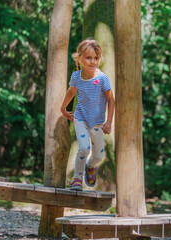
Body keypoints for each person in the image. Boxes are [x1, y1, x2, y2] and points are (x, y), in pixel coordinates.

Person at [61, 39, 115, 191]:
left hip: (98, 122)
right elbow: (71, 91)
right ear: (79, 58)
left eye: (96, 58)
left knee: (98, 156)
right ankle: (77, 180)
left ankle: (90, 167)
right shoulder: (76, 77)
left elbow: (111, 100)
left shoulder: (102, 78)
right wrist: (63, 108)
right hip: (81, 118)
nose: (92, 61)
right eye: (88, 58)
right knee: (84, 148)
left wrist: (109, 122)